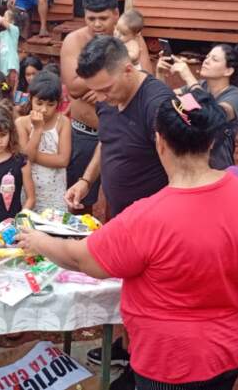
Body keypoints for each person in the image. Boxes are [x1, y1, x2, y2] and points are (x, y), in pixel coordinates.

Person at [16, 90, 238, 390]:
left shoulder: (147, 217)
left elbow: (81, 258)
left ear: (159, 142)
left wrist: (39, 241)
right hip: (232, 348)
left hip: (171, 362)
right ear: (210, 142)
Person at [64, 36, 174, 378]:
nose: (100, 98)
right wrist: (86, 180)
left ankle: (143, 368)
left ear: (128, 68)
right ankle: (127, 348)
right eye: (94, 91)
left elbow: (182, 173)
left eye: (105, 89)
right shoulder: (108, 97)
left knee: (152, 298)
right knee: (128, 289)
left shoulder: (158, 105)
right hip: (122, 217)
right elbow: (107, 140)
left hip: (155, 227)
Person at [61, 0, 153, 214]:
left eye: (103, 18)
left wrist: (103, 82)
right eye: (91, 18)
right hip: (85, 133)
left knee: (122, 202)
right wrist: (105, 80)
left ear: (116, 14)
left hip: (123, 133)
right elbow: (73, 87)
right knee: (80, 202)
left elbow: (146, 79)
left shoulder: (132, 40)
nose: (97, 24)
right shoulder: (74, 40)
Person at [157, 44, 238, 169]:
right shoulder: (200, 85)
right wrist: (160, 74)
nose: (206, 61)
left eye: (214, 59)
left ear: (228, 71)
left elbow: (211, 117)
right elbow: (165, 100)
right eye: (207, 57)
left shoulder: (235, 95)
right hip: (192, 161)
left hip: (217, 166)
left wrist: (189, 77)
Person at [15, 70, 70, 212]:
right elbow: (25, 160)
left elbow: (63, 160)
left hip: (55, 193)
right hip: (30, 193)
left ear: (58, 103)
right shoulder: (22, 123)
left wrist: (31, 156)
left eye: (50, 104)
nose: (44, 110)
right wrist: (38, 129)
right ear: (30, 99)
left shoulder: (63, 122)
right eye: (39, 103)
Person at [0, 9, 23, 88]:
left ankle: (12, 94)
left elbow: (2, 21)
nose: (3, 18)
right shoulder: (0, 34)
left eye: (5, 16)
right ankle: (5, 94)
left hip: (11, 63)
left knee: (12, 83)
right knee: (3, 86)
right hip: (2, 64)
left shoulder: (15, 30)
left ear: (12, 21)